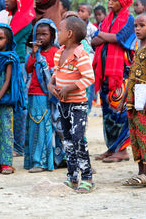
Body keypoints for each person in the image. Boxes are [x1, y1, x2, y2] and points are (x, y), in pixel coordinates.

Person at [48, 16, 95, 193]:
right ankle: (72, 177)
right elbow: (56, 72)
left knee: (78, 139)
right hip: (63, 104)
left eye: (60, 30)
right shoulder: (59, 52)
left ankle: (88, 177)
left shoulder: (80, 55)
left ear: (69, 34)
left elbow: (89, 78)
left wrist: (70, 87)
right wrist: (51, 84)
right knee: (67, 140)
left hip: (77, 105)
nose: (57, 33)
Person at [92, 0, 136, 162]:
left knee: (119, 110)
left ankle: (122, 150)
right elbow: (95, 40)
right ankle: (111, 148)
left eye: (114, 0)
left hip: (121, 73)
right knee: (107, 111)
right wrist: (103, 35)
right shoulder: (107, 20)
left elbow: (120, 39)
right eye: (108, 0)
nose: (110, 3)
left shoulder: (130, 19)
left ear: (123, 0)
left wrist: (101, 34)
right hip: (105, 73)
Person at [0, 0, 35, 156]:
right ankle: (9, 142)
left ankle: (18, 146)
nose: (6, 0)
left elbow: (9, 40)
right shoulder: (9, 17)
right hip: (7, 61)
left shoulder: (24, 19)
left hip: (17, 63)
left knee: (18, 103)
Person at [0, 23, 26, 174]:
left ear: (7, 40)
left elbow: (8, 80)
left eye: (0, 38)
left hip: (4, 99)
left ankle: (6, 163)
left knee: (5, 130)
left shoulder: (10, 57)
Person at [24, 19, 59, 173]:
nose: (40, 37)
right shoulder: (34, 53)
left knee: (44, 128)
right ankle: (34, 160)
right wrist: (33, 53)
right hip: (33, 94)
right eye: (38, 34)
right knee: (34, 127)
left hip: (48, 96)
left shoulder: (57, 53)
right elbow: (28, 68)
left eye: (44, 34)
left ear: (52, 36)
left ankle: (42, 162)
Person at [120, 12, 146, 186]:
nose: (137, 29)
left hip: (144, 96)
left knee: (145, 134)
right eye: (135, 26)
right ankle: (140, 172)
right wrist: (124, 98)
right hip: (135, 95)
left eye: (142, 25)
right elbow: (131, 76)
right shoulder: (137, 47)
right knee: (136, 133)